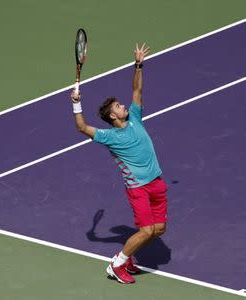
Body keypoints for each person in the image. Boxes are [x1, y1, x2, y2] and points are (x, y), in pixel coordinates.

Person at [70, 43, 168, 284]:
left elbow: (137, 89)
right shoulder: (109, 136)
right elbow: (82, 127)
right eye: (118, 106)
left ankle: (127, 257)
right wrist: (76, 103)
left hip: (156, 182)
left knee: (159, 229)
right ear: (113, 116)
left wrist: (138, 64)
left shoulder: (135, 117)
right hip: (138, 188)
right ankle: (117, 264)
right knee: (146, 231)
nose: (123, 105)